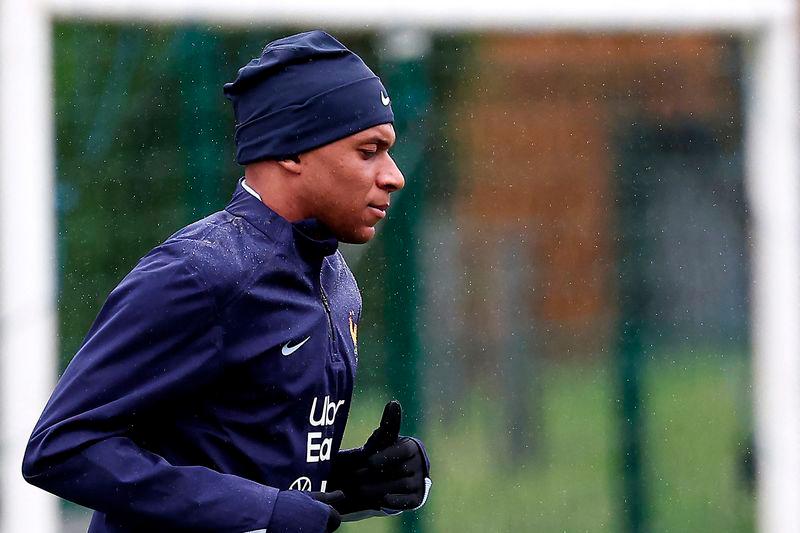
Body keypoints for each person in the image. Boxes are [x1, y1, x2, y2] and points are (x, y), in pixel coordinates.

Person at [22, 30, 431, 533]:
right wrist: (265, 512)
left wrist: (355, 481)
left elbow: (239, 464)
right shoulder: (200, 274)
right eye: (369, 150)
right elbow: (62, 447)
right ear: (291, 151)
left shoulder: (335, 278)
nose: (394, 176)